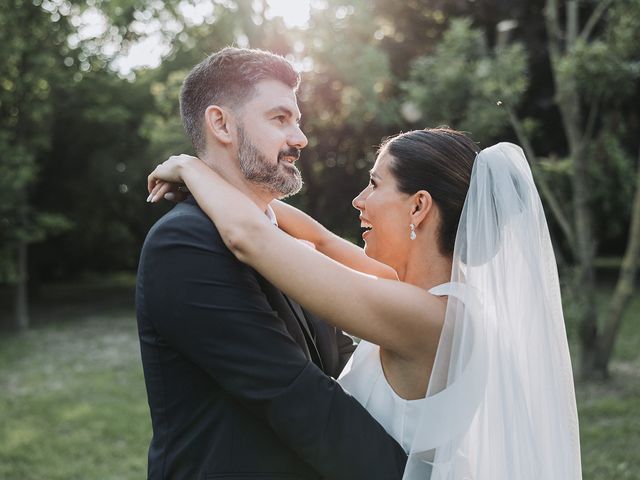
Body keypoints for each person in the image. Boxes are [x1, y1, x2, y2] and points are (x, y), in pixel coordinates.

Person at [148, 128, 582, 479]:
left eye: (374, 184)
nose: (358, 200)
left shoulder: (428, 319)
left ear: (419, 207)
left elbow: (252, 239)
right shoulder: (421, 294)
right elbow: (314, 238)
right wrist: (230, 184)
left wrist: (191, 167)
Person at [136, 47, 408, 480]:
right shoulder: (184, 242)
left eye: (297, 121)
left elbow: (340, 363)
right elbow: (295, 397)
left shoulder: (280, 237)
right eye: (280, 119)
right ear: (221, 123)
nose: (300, 138)